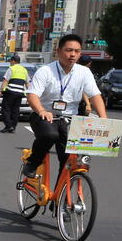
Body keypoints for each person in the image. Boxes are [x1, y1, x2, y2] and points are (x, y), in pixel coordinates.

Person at [22, 34, 107, 179]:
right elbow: (32, 95)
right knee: (50, 135)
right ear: (58, 51)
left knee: (69, 161)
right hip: (45, 116)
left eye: (77, 51)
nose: (73, 54)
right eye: (69, 50)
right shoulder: (45, 71)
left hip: (69, 119)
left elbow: (95, 95)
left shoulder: (84, 72)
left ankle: (61, 193)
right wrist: (42, 111)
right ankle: (33, 162)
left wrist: (103, 118)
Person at [0, 54, 28, 132]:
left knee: (6, 109)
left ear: (13, 61)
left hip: (10, 92)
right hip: (20, 93)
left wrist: (1, 91)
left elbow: (6, 80)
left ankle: (8, 126)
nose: (10, 63)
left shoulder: (11, 68)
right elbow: (27, 83)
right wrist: (29, 94)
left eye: (10, 61)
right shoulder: (24, 70)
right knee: (16, 110)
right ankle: (13, 126)